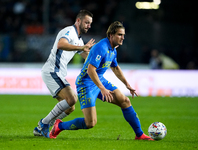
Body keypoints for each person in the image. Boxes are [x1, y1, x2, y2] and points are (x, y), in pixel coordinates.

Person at [49, 21, 154, 140]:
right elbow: (90, 70)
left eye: (123, 35)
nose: (123, 38)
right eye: (120, 34)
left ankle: (139, 134)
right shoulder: (101, 47)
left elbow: (115, 67)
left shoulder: (113, 48)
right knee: (90, 123)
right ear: (111, 35)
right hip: (86, 84)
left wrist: (127, 84)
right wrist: (102, 89)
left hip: (99, 80)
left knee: (125, 101)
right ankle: (59, 125)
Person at [33, 10, 95, 138]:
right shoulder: (69, 31)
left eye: (90, 23)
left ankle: (40, 129)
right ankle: (44, 123)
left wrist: (101, 59)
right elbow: (61, 44)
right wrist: (81, 48)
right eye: (86, 22)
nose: (89, 25)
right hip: (52, 71)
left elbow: (86, 55)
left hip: (58, 73)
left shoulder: (78, 39)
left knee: (70, 107)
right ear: (78, 20)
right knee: (72, 98)